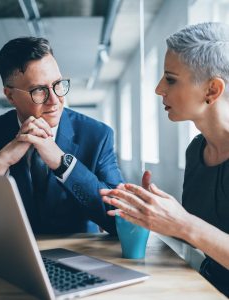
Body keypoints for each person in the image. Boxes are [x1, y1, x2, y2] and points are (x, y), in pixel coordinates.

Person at [0, 36, 123, 235]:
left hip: (79, 257)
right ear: (10, 96)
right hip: (12, 257)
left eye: (58, 84)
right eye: (39, 91)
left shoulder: (97, 135)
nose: (54, 100)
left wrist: (64, 164)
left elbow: (120, 219)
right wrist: (1, 162)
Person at [100, 22, 229, 297]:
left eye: (170, 79)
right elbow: (201, 238)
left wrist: (182, 223)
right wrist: (151, 211)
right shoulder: (196, 151)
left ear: (212, 90)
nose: (159, 89)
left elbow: (194, 229)